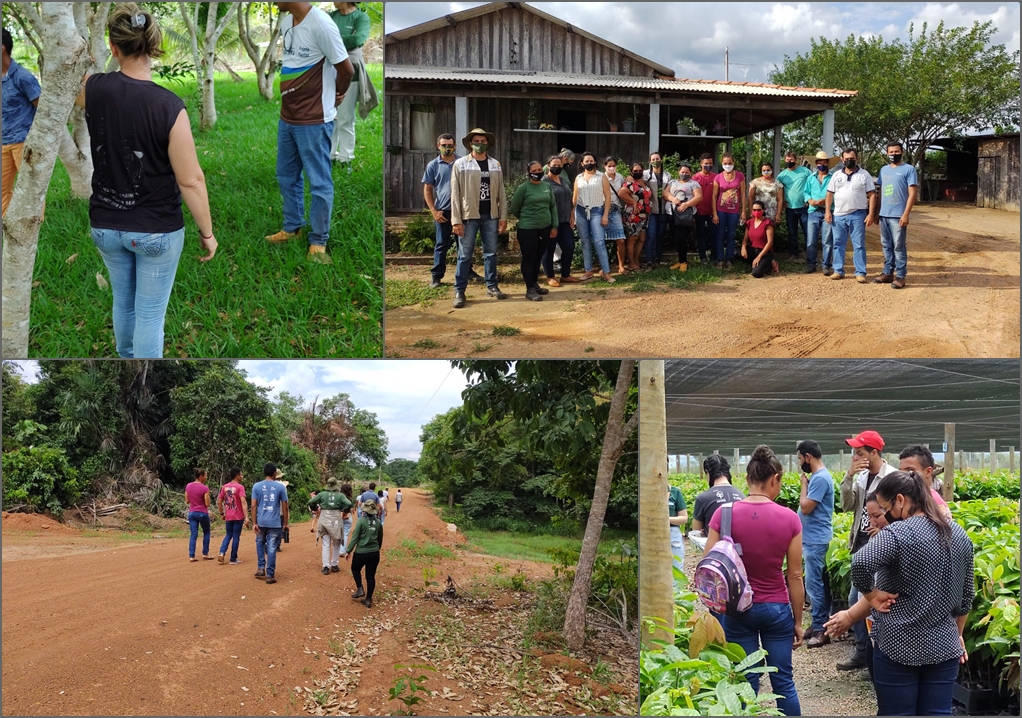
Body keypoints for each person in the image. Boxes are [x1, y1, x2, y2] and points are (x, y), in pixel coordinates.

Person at [76, 3, 216, 358]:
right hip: (156, 229)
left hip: (106, 226)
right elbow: (191, 181)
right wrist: (207, 233)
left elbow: (75, 93)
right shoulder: (169, 107)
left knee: (123, 303)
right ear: (154, 46)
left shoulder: (94, 88)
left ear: (113, 47)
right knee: (150, 316)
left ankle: (127, 367)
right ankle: (144, 379)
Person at [846, 471, 973, 716]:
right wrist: (957, 635)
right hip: (944, 645)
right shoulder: (959, 534)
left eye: (886, 508)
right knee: (937, 712)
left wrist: (872, 596)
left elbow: (860, 563)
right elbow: (967, 596)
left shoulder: (898, 534)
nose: (885, 515)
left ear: (901, 500)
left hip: (897, 643)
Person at [704, 445, 803, 716]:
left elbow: (709, 564)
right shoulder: (790, 519)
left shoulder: (723, 515)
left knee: (745, 682)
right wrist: (797, 622)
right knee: (783, 681)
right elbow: (795, 575)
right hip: (776, 608)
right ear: (776, 479)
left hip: (738, 610)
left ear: (747, 479)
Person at [265, 2, 354, 265]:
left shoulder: (322, 25)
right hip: (288, 117)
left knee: (319, 182)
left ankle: (318, 241)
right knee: (286, 175)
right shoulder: (287, 23)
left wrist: (337, 95)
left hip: (314, 120)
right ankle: (292, 227)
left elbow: (346, 69)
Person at [837, 429, 896, 671]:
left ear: (874, 453)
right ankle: (864, 653)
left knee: (866, 600)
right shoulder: (861, 478)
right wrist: (849, 476)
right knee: (858, 599)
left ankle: (871, 654)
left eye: (860, 452)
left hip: (881, 546)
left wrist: (884, 530)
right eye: (855, 453)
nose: (856, 457)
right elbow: (846, 505)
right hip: (861, 544)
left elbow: (899, 514)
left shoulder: (891, 477)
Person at [824, 490, 891, 687]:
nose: (872, 522)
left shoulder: (894, 540)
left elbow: (878, 588)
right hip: (872, 618)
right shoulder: (878, 537)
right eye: (869, 516)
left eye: (877, 515)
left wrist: (850, 616)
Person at [450, 127, 508, 308]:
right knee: (464, 255)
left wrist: (503, 216)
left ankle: (492, 286)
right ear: (470, 143)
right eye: (476, 141)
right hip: (469, 216)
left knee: (491, 253)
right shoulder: (461, 164)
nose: (480, 144)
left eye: (483, 141)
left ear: (488, 143)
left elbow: (501, 192)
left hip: (490, 215)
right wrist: (456, 220)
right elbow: (455, 194)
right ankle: (460, 290)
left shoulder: (495, 164)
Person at [327, 2, 377, 168]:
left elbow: (358, 39)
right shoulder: (331, 16)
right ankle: (330, 155)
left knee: (345, 117)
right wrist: (344, 40)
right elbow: (320, 38)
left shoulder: (360, 17)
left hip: (351, 71)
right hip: (328, 69)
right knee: (329, 116)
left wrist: (332, 40)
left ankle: (346, 159)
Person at [795, 440, 834, 648]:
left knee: (814, 585)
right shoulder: (820, 478)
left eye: (800, 458)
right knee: (818, 584)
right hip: (813, 539)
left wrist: (804, 486)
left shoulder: (819, 479)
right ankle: (820, 623)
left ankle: (820, 628)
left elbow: (806, 507)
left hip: (815, 540)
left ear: (808, 457)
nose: (800, 463)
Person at [2, 27, 40, 217]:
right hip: (3, 143)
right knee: (3, 190)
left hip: (23, 143)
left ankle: (36, 226)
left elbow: (42, 109)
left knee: (32, 190)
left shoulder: (23, 77)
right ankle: (6, 227)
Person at [825, 148, 876, 282]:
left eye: (852, 159)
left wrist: (870, 214)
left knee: (858, 245)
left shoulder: (864, 175)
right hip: (839, 215)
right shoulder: (836, 175)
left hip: (858, 214)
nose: (849, 161)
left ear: (857, 159)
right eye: (846, 159)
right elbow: (829, 194)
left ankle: (860, 272)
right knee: (838, 244)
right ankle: (838, 270)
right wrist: (827, 211)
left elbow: (872, 195)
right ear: (842, 160)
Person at [509, 160, 557, 301]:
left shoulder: (547, 186)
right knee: (529, 258)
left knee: (538, 257)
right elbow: (514, 208)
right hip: (528, 228)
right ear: (528, 173)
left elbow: (552, 206)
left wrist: (554, 226)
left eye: (539, 170)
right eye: (534, 171)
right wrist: (527, 218)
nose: (537, 173)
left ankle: (534, 283)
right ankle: (529, 288)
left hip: (545, 228)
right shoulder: (523, 188)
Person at [874, 142, 918, 289]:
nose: (894, 154)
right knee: (886, 245)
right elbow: (880, 193)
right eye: (891, 152)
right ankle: (887, 273)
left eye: (896, 151)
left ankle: (900, 276)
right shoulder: (884, 170)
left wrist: (906, 214)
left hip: (898, 216)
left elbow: (912, 193)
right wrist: (877, 213)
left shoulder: (909, 170)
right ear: (887, 153)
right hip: (884, 215)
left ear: (902, 152)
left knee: (898, 246)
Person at [571, 152, 615, 283]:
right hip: (581, 211)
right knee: (585, 241)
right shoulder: (578, 178)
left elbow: (608, 196)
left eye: (591, 161)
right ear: (582, 163)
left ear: (595, 162)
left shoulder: (602, 176)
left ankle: (606, 272)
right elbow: (575, 197)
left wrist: (605, 214)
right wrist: (572, 214)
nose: (589, 163)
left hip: (597, 211)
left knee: (599, 242)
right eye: (586, 161)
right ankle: (588, 271)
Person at [541, 154, 580, 286]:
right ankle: (550, 276)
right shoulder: (544, 182)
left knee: (569, 247)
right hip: (551, 223)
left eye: (559, 165)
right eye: (554, 165)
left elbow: (568, 199)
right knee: (549, 250)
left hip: (565, 221)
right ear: (548, 166)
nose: (557, 167)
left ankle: (565, 275)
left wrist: (572, 215)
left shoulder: (563, 180)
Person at [252, 462, 289, 584]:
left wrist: (254, 522)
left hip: (261, 521)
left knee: (259, 543)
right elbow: (285, 506)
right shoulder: (281, 487)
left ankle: (260, 568)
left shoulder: (256, 486)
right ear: (274, 473)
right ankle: (270, 575)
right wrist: (285, 523)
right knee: (272, 547)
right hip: (274, 522)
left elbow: (253, 506)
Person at [309, 476, 354, 575]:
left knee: (325, 544)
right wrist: (344, 510)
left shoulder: (322, 494)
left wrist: (315, 509)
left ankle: (326, 566)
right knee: (336, 543)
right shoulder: (340, 495)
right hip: (336, 519)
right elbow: (349, 503)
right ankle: (334, 564)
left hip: (324, 518)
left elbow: (311, 502)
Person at [662, 163, 702, 272]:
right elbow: (665, 193)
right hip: (672, 214)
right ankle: (680, 261)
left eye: (687, 172)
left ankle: (684, 262)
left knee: (681, 238)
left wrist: (686, 204)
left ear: (690, 173)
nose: (684, 174)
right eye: (682, 172)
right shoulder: (672, 182)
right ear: (678, 172)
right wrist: (672, 199)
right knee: (676, 239)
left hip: (685, 216)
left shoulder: (693, 183)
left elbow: (699, 196)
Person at [690, 454, 744, 533]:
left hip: (712, 540)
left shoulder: (703, 498)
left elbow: (696, 531)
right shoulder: (741, 495)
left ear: (707, 472)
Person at [345, 498, 383, 608]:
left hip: (361, 552)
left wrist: (348, 550)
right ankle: (368, 599)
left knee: (355, 569)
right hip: (374, 553)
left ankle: (360, 588)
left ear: (365, 511)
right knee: (370, 576)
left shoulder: (361, 521)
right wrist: (376, 549)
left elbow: (355, 538)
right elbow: (380, 539)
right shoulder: (378, 523)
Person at [712, 152, 746, 269]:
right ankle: (720, 259)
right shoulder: (718, 177)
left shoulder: (740, 176)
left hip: (734, 211)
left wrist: (743, 211)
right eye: (725, 163)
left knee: (731, 235)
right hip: (721, 210)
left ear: (733, 162)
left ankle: (729, 259)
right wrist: (714, 213)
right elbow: (714, 196)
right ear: (722, 163)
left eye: (730, 163)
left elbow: (743, 194)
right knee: (720, 234)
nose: (728, 165)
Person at [898, 444, 952, 518]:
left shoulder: (931, 503)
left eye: (910, 470)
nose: (903, 475)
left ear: (928, 472)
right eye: (901, 471)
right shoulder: (917, 498)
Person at [776, 151, 812, 259]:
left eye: (791, 159)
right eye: (787, 160)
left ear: (796, 160)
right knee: (792, 233)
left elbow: (813, 184)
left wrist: (810, 199)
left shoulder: (805, 171)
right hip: (790, 208)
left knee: (808, 232)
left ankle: (810, 254)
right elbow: (778, 190)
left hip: (804, 208)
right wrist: (782, 202)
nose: (789, 161)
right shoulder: (781, 176)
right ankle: (793, 254)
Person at [805, 151, 836, 275]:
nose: (822, 165)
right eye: (819, 163)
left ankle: (826, 265)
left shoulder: (833, 178)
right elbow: (806, 192)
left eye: (824, 162)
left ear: (828, 163)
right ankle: (811, 264)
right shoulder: (811, 178)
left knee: (827, 240)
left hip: (828, 211)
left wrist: (826, 200)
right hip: (813, 211)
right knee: (811, 240)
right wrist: (810, 200)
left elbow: (837, 193)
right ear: (816, 164)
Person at [619, 162, 651, 271]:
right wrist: (633, 202)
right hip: (633, 215)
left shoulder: (644, 182)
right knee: (633, 239)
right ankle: (631, 263)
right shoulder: (630, 183)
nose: (638, 172)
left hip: (644, 215)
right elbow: (621, 193)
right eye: (635, 171)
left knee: (642, 239)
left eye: (640, 170)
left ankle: (636, 261)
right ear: (631, 172)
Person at [642, 152, 672, 267]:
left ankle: (657, 259)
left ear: (661, 160)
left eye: (657, 159)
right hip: (652, 211)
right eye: (653, 159)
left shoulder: (667, 175)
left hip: (663, 210)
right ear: (650, 162)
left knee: (660, 235)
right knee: (651, 235)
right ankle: (649, 260)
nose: (655, 161)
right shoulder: (645, 174)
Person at [603, 157, 629, 275]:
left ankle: (621, 266)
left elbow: (625, 189)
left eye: (613, 165)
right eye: (609, 166)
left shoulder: (620, 177)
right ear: (604, 166)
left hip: (616, 209)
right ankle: (604, 267)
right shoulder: (601, 178)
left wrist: (629, 179)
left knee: (621, 240)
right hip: (603, 210)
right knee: (601, 240)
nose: (611, 168)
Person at [217, 466, 247, 564]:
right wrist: (246, 516)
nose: (242, 476)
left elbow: (219, 501)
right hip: (238, 516)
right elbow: (243, 501)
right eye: (241, 474)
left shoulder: (224, 487)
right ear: (237, 476)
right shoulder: (240, 487)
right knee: (236, 536)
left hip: (228, 516)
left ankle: (222, 552)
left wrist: (222, 513)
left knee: (228, 535)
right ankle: (233, 559)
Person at [739, 200, 778, 278]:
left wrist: (759, 257)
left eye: (759, 210)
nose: (756, 212)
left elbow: (770, 242)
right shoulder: (749, 222)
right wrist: (743, 247)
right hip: (753, 250)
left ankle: (770, 264)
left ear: (763, 210)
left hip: (765, 252)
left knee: (756, 273)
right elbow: (745, 239)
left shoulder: (767, 223)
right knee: (736, 253)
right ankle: (756, 263)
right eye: (754, 210)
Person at [185, 468, 214, 562]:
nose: (206, 477)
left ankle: (192, 556)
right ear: (201, 476)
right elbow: (207, 504)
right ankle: (205, 553)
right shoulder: (205, 488)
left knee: (193, 534)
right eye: (205, 475)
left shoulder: (188, 486)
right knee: (206, 532)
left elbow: (187, 500)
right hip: (202, 513)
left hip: (192, 513)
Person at [692, 154, 717, 262]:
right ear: (701, 163)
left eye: (710, 163)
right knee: (701, 234)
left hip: (712, 211)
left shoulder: (716, 177)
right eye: (706, 163)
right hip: (698, 211)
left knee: (714, 234)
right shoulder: (695, 178)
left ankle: (714, 256)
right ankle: (702, 256)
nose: (708, 165)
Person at [668, 482, 688, 578]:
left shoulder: (675, 492)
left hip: (673, 535)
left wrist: (665, 519)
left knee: (676, 572)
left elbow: (684, 518)